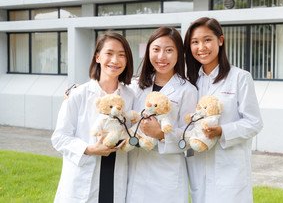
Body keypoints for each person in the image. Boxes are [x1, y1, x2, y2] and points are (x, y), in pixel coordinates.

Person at [183, 17, 263, 203]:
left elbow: (254, 122)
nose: (201, 47)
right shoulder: (191, 82)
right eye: (195, 42)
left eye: (207, 40)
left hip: (230, 167)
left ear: (220, 40)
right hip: (199, 165)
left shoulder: (240, 77)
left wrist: (222, 131)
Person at [51, 31, 134, 203]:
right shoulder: (78, 94)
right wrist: (89, 149)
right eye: (109, 53)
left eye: (121, 55)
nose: (115, 60)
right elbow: (59, 138)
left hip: (115, 175)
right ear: (97, 57)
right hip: (82, 179)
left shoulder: (131, 95)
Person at [126, 26, 197, 203]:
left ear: (179, 54)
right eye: (156, 49)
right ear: (148, 51)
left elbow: (190, 136)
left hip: (167, 173)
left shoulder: (187, 90)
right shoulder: (136, 86)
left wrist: (161, 134)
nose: (161, 57)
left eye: (169, 50)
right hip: (136, 168)